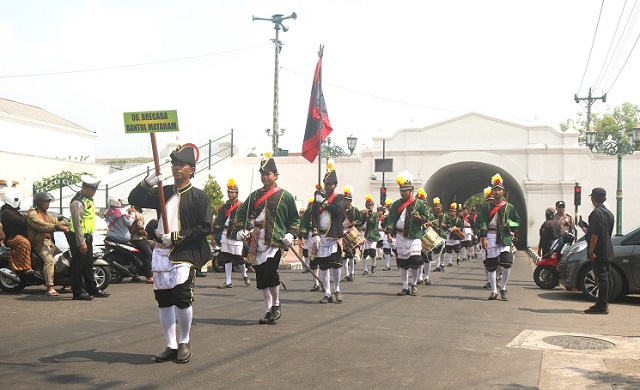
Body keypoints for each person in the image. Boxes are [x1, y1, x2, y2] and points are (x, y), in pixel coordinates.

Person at [129, 144, 213, 363]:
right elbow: (134, 200)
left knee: (182, 298)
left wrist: (176, 237)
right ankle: (170, 344)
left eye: (182, 164)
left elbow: (205, 227)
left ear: (191, 169)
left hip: (184, 251)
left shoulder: (199, 197)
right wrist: (147, 184)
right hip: (161, 251)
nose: (177, 167)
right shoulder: (163, 192)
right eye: (174, 163)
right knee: (164, 300)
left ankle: (184, 340)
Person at [232, 152, 299, 323]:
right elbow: (241, 213)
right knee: (261, 277)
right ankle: (268, 309)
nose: (265, 176)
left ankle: (276, 304)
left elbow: (295, 219)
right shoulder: (254, 195)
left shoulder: (286, 196)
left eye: (268, 173)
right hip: (256, 239)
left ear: (276, 175)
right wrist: (240, 228)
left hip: (275, 240)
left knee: (270, 272)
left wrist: (291, 234)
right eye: (262, 173)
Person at [475, 174, 520, 301]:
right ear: (492, 191)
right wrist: (483, 238)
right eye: (495, 189)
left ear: (503, 191)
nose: (497, 191)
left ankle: (504, 287)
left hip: (504, 236)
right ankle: (494, 290)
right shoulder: (485, 207)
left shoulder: (509, 207)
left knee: (507, 262)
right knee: (491, 265)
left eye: (499, 189)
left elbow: (517, 221)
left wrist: (509, 225)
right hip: (490, 236)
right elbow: (483, 222)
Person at [65, 175, 110, 301]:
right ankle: (77, 292)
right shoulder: (77, 202)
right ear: (85, 188)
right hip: (78, 237)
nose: (94, 192)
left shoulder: (87, 199)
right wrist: (81, 242)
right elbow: (77, 224)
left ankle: (92, 289)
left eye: (95, 189)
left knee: (88, 264)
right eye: (92, 189)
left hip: (87, 236)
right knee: (78, 265)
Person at [385, 171, 431, 296]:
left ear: (411, 190)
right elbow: (391, 219)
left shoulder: (420, 203)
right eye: (401, 191)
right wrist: (389, 233)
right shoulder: (396, 204)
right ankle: (405, 286)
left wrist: (419, 219)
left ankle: (414, 283)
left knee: (416, 260)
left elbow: (427, 218)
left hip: (414, 235)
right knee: (403, 263)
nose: (402, 193)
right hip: (400, 236)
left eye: (405, 191)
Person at [310, 160, 346, 304]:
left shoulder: (340, 198)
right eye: (326, 184)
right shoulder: (318, 198)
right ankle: (327, 292)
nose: (328, 186)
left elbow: (337, 210)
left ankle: (337, 288)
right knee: (323, 266)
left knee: (336, 264)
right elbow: (314, 217)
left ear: (335, 185)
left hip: (334, 236)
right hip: (322, 235)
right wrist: (315, 233)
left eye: (330, 184)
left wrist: (324, 202)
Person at [25, 192, 70, 296]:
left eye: (49, 202)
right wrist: (57, 227)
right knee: (49, 260)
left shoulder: (46, 215)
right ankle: (49, 287)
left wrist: (71, 224)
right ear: (39, 202)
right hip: (39, 243)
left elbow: (56, 222)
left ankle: (66, 281)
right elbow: (42, 226)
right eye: (46, 202)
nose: (48, 204)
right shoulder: (33, 214)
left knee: (64, 258)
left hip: (49, 242)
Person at [581, 187, 614, 315]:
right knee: (607, 277)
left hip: (598, 250)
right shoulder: (609, 214)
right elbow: (606, 231)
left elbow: (595, 234)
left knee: (602, 278)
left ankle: (601, 305)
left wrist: (591, 251)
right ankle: (604, 301)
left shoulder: (596, 213)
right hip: (608, 248)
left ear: (593, 199)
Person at [212, 178, 250, 289]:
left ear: (236, 193)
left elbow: (247, 221)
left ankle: (244, 274)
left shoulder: (242, 206)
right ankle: (228, 281)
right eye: (229, 192)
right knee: (226, 257)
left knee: (238, 257)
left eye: (232, 192)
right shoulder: (224, 207)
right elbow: (219, 221)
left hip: (236, 234)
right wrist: (214, 235)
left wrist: (244, 228)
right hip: (225, 233)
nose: (230, 194)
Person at [0, 188, 34, 275]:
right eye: (19, 202)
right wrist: (27, 214)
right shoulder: (6, 212)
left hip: (16, 236)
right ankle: (25, 268)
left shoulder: (12, 211)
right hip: (11, 238)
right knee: (24, 242)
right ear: (14, 201)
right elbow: (20, 221)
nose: (20, 204)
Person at [128, 204, 153, 283]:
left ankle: (135, 275)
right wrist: (145, 233)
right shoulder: (138, 215)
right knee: (148, 254)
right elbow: (140, 230)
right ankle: (149, 277)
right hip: (138, 239)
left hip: (129, 238)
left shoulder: (128, 215)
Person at [342, 187, 362, 279]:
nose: (347, 202)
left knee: (351, 254)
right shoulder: (340, 210)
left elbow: (360, 220)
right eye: (345, 200)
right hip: (342, 233)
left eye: (348, 201)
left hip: (351, 233)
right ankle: (346, 274)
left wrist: (355, 223)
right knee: (344, 256)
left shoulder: (355, 210)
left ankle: (352, 273)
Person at [360, 194, 379, 280]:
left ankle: (374, 264)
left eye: (371, 205)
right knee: (364, 254)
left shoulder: (375, 214)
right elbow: (361, 223)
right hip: (367, 235)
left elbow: (373, 223)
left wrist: (367, 216)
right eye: (368, 205)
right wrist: (362, 215)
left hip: (374, 235)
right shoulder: (365, 214)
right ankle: (365, 269)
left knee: (372, 252)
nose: (370, 207)